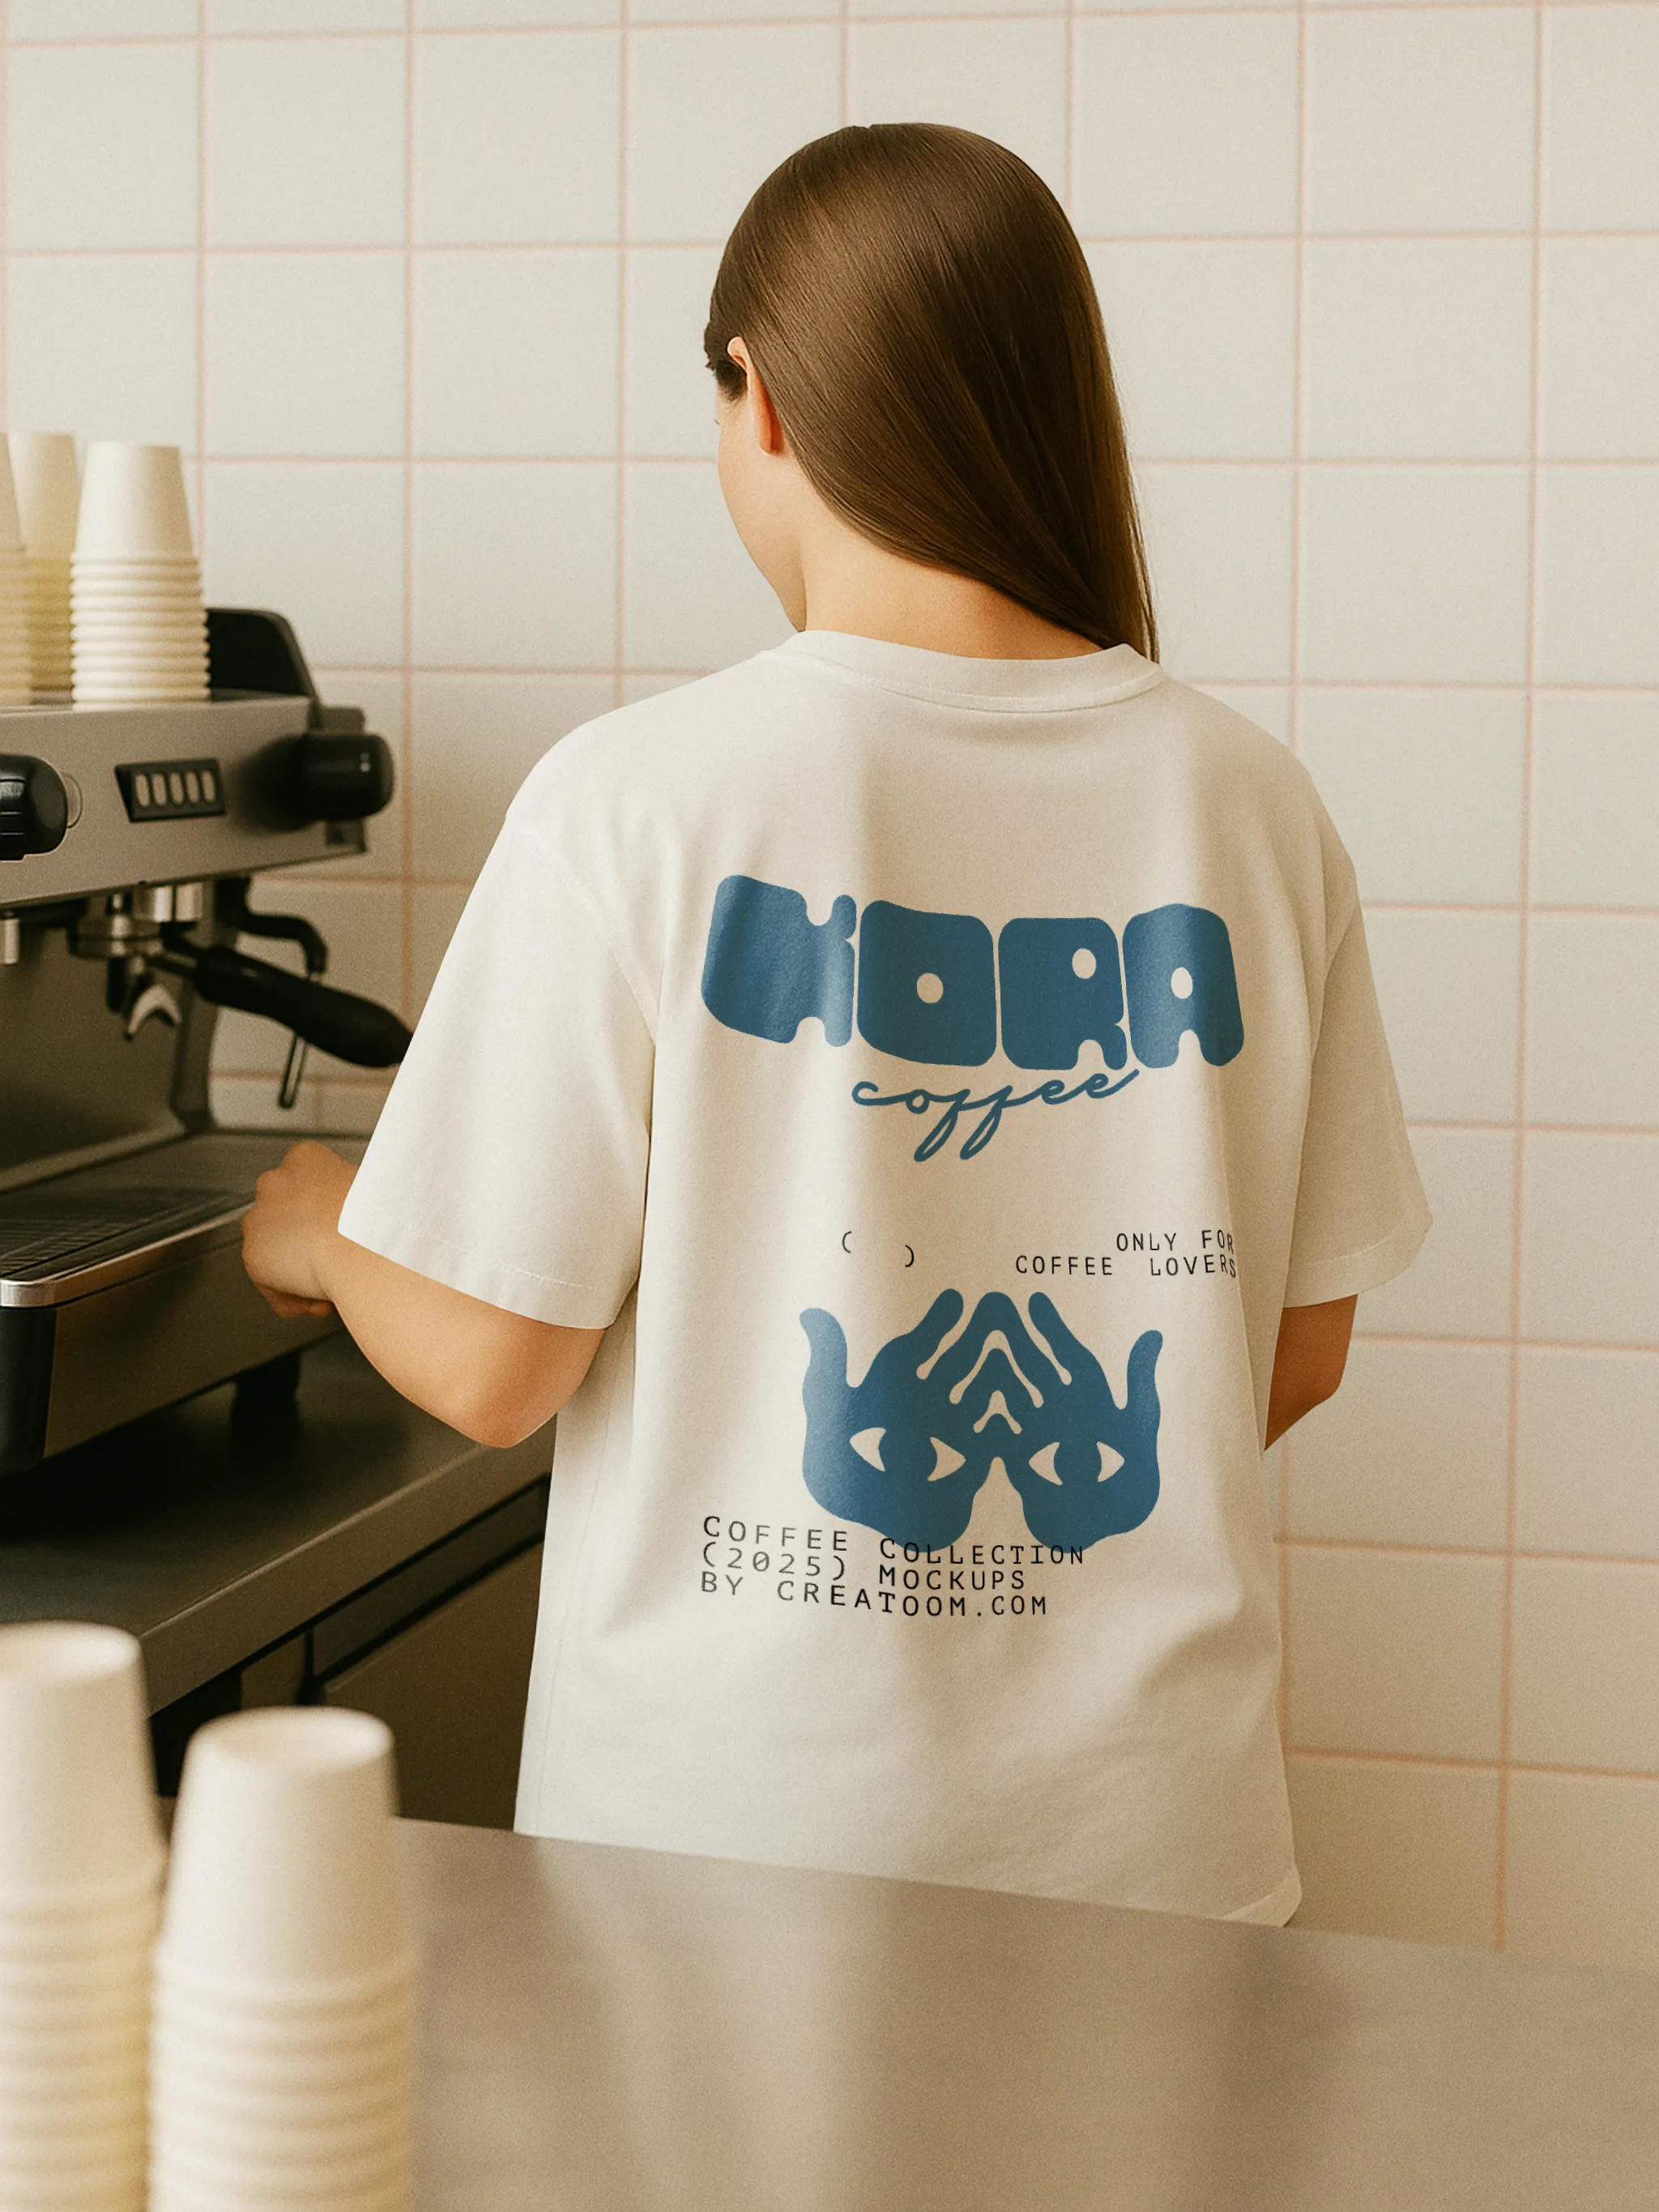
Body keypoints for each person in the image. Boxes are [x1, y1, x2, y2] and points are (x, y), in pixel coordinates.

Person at [241, 123, 1428, 1924]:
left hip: (721, 1859)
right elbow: (1294, 1349)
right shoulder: (1251, 805)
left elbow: (490, 1367)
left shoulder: (640, 801)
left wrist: (322, 1228)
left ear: (764, 400)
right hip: (1159, 1856)